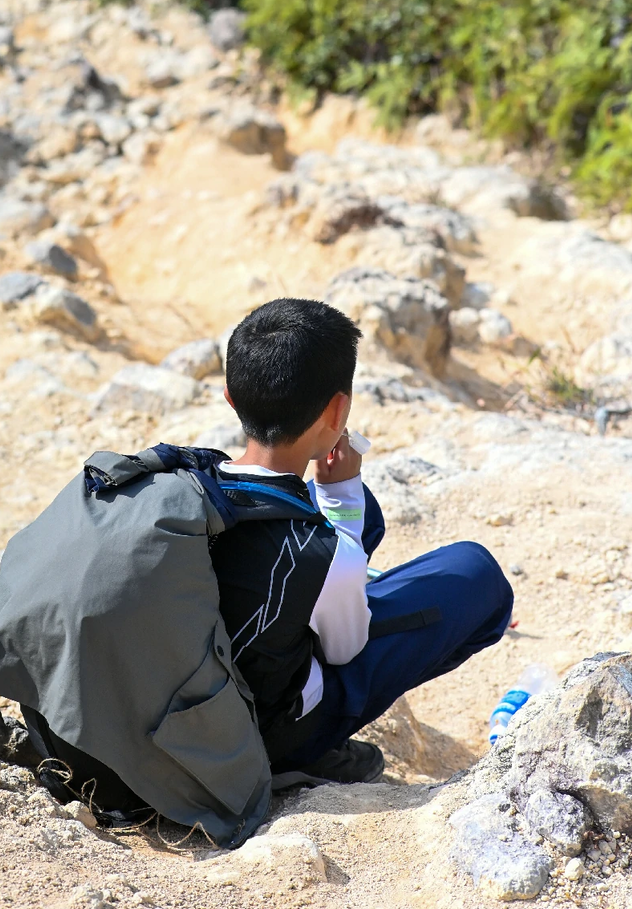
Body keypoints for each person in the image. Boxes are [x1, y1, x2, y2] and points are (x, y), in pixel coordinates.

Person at [209, 299, 513, 781]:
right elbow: (344, 651)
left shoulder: (193, 479)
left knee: (358, 514)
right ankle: (303, 753)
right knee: (477, 575)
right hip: (255, 733)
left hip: (193, 689)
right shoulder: (323, 557)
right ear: (338, 410)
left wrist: (341, 501)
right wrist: (339, 494)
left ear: (230, 396)